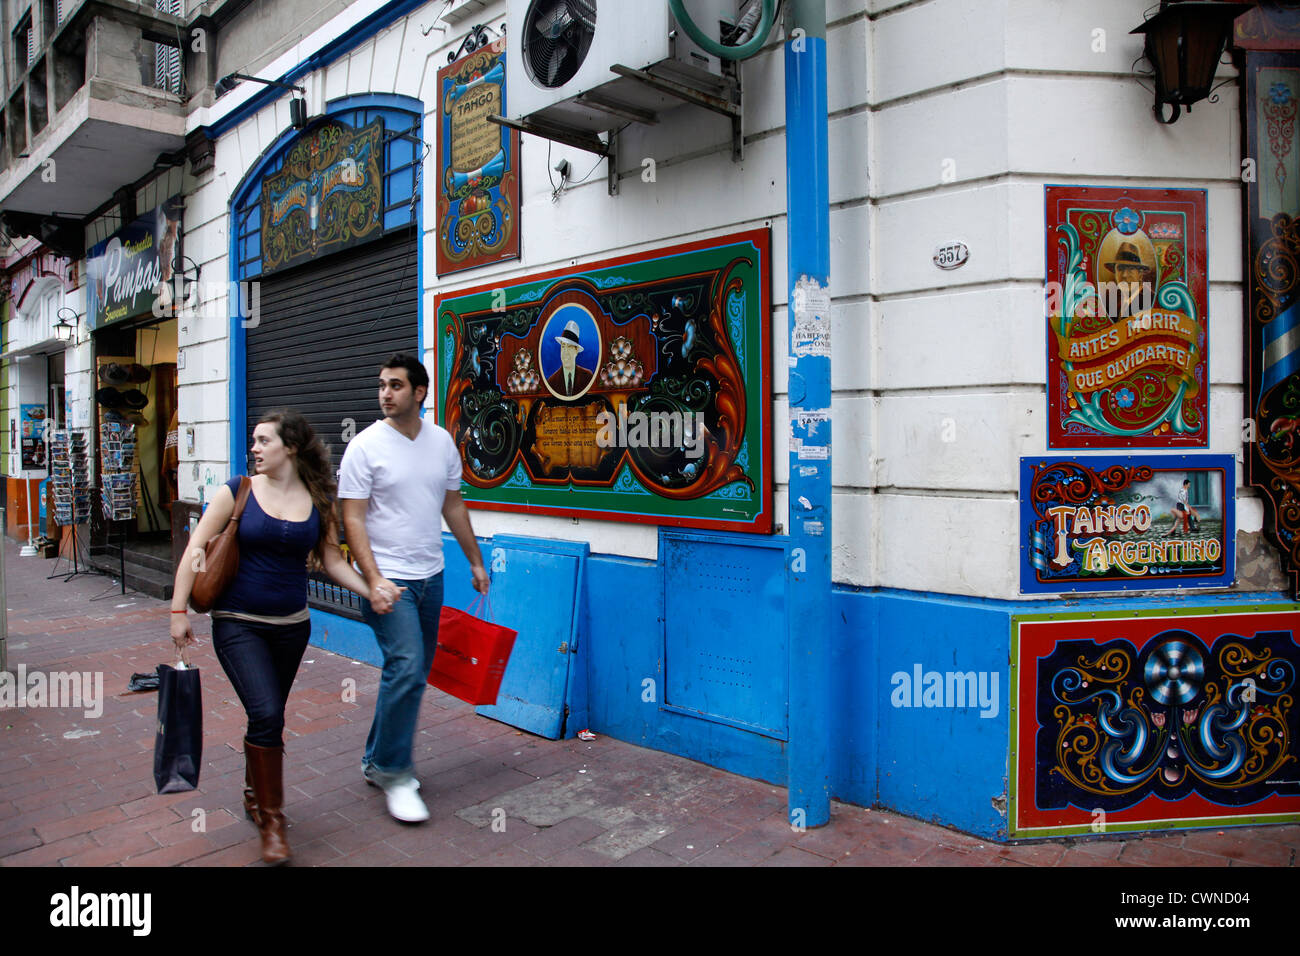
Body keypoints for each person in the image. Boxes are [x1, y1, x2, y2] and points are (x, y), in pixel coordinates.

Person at [170, 410, 374, 864]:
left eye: (265, 441)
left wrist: (371, 589)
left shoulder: (319, 500)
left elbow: (333, 562)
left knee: (269, 717)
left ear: (292, 447)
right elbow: (196, 546)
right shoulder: (237, 491)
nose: (255, 448)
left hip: (291, 628)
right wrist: (177, 611)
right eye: (254, 441)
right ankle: (273, 820)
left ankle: (253, 790)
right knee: (264, 711)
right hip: (237, 623)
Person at [338, 353, 490, 823]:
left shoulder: (442, 443)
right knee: (405, 668)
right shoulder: (364, 447)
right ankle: (394, 772)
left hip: (431, 576)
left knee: (411, 672)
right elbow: (352, 518)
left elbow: (453, 505)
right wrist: (374, 578)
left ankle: (374, 759)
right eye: (382, 385)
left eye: (396, 386)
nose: (386, 393)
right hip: (389, 581)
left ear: (420, 393)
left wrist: (475, 560)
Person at [544, 319, 595, 398]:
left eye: (570, 347)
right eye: (563, 346)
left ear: (576, 351)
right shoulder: (552, 382)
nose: (565, 352)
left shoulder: (587, 377)